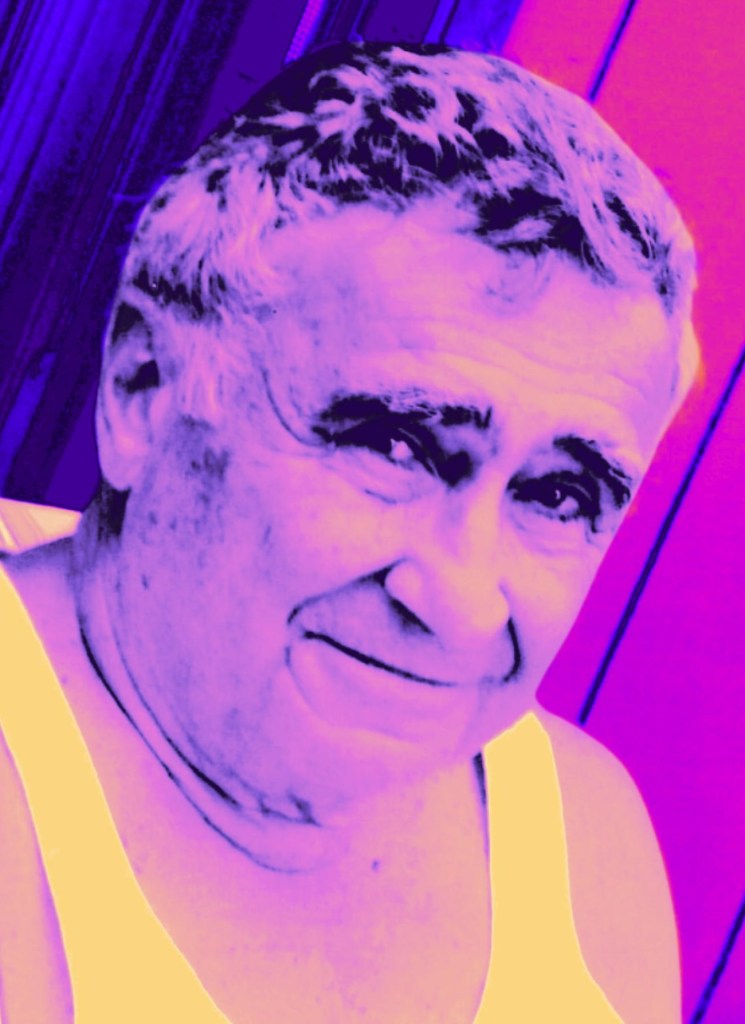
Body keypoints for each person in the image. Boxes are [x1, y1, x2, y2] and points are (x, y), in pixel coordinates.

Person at [0, 42, 698, 1023]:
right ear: (144, 389)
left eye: (556, 494)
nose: (461, 601)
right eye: (397, 444)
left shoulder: (583, 839)